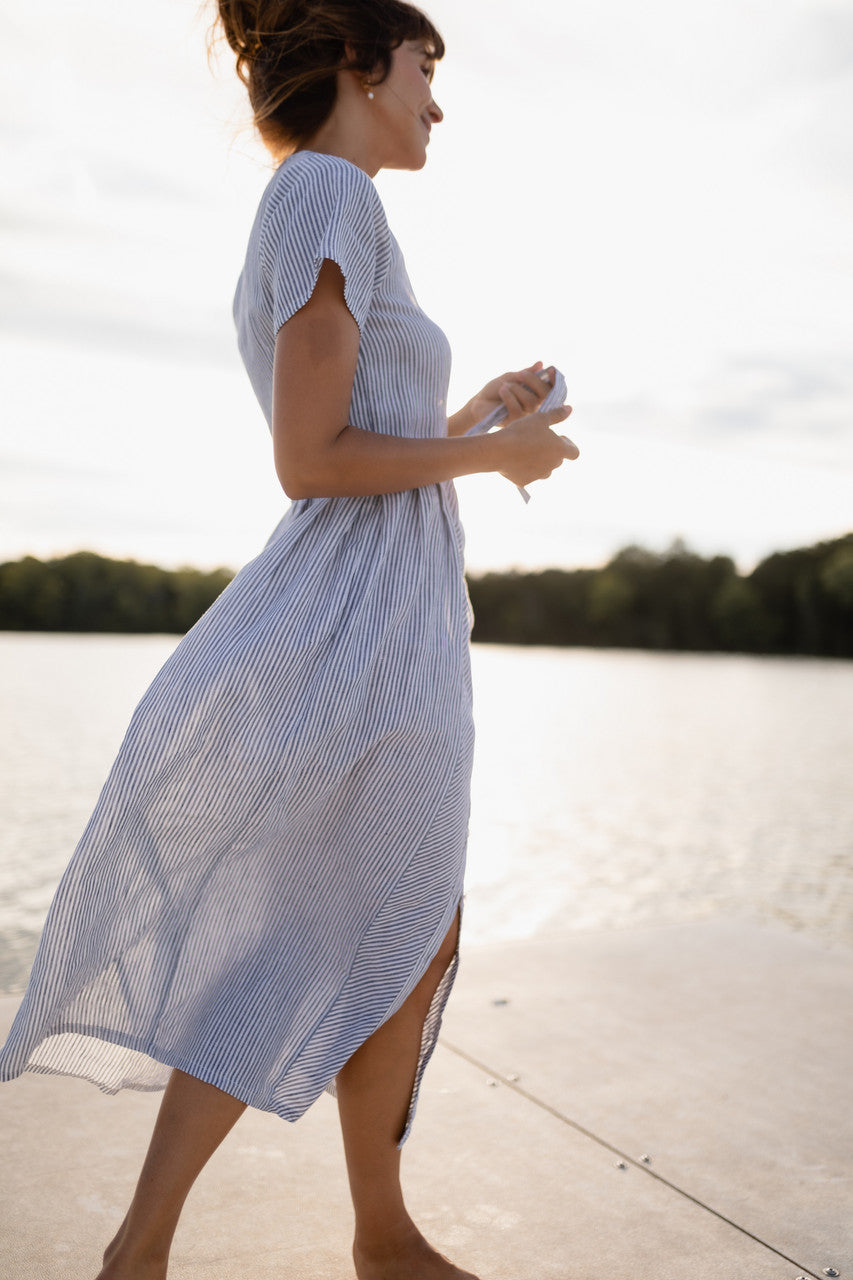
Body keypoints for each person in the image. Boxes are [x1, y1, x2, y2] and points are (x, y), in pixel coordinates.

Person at [0, 2, 577, 1277]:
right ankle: (152, 1246)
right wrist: (492, 454)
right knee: (329, 925)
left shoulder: (336, 205)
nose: (438, 97)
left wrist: (477, 409)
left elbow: (368, 427)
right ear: (364, 68)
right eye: (427, 68)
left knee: (410, 923)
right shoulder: (325, 194)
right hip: (349, 629)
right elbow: (311, 457)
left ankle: (374, 1230)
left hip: (391, 623)